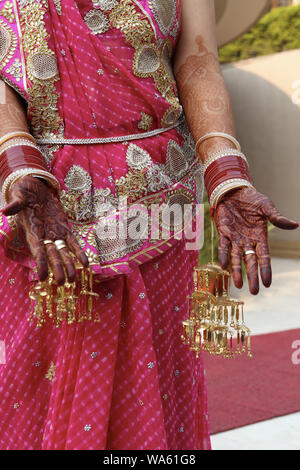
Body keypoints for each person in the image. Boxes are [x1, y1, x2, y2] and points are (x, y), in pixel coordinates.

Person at [0, 0, 297, 451]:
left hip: (159, 209)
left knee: (155, 377)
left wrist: (227, 175)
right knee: (34, 380)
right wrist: (20, 167)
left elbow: (196, 62)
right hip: (42, 208)